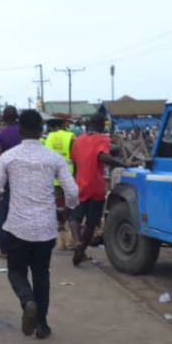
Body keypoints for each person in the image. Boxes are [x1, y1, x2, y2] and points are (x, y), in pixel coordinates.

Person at [0, 110, 78, 339]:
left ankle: (27, 301)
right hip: (46, 228)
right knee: (41, 274)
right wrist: (68, 208)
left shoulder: (9, 157)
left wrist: (0, 198)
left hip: (18, 226)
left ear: (21, 130)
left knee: (16, 270)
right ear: (41, 130)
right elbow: (73, 191)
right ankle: (42, 325)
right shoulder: (53, 158)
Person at [71, 113, 130, 266]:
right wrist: (123, 164)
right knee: (91, 223)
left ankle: (77, 242)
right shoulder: (102, 139)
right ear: (103, 125)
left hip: (79, 185)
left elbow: (75, 165)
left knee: (75, 218)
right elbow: (103, 157)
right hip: (96, 186)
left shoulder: (77, 141)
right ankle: (82, 250)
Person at [0, 106, 22, 259]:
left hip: (7, 178)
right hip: (25, 177)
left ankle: (5, 250)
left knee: (4, 214)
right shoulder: (25, 133)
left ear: (3, 117)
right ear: (16, 117)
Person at [44, 117, 76, 250]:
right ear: (63, 124)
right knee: (72, 209)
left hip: (54, 179)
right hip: (70, 177)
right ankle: (71, 239)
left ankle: (60, 242)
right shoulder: (71, 137)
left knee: (58, 209)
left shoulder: (49, 138)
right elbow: (76, 156)